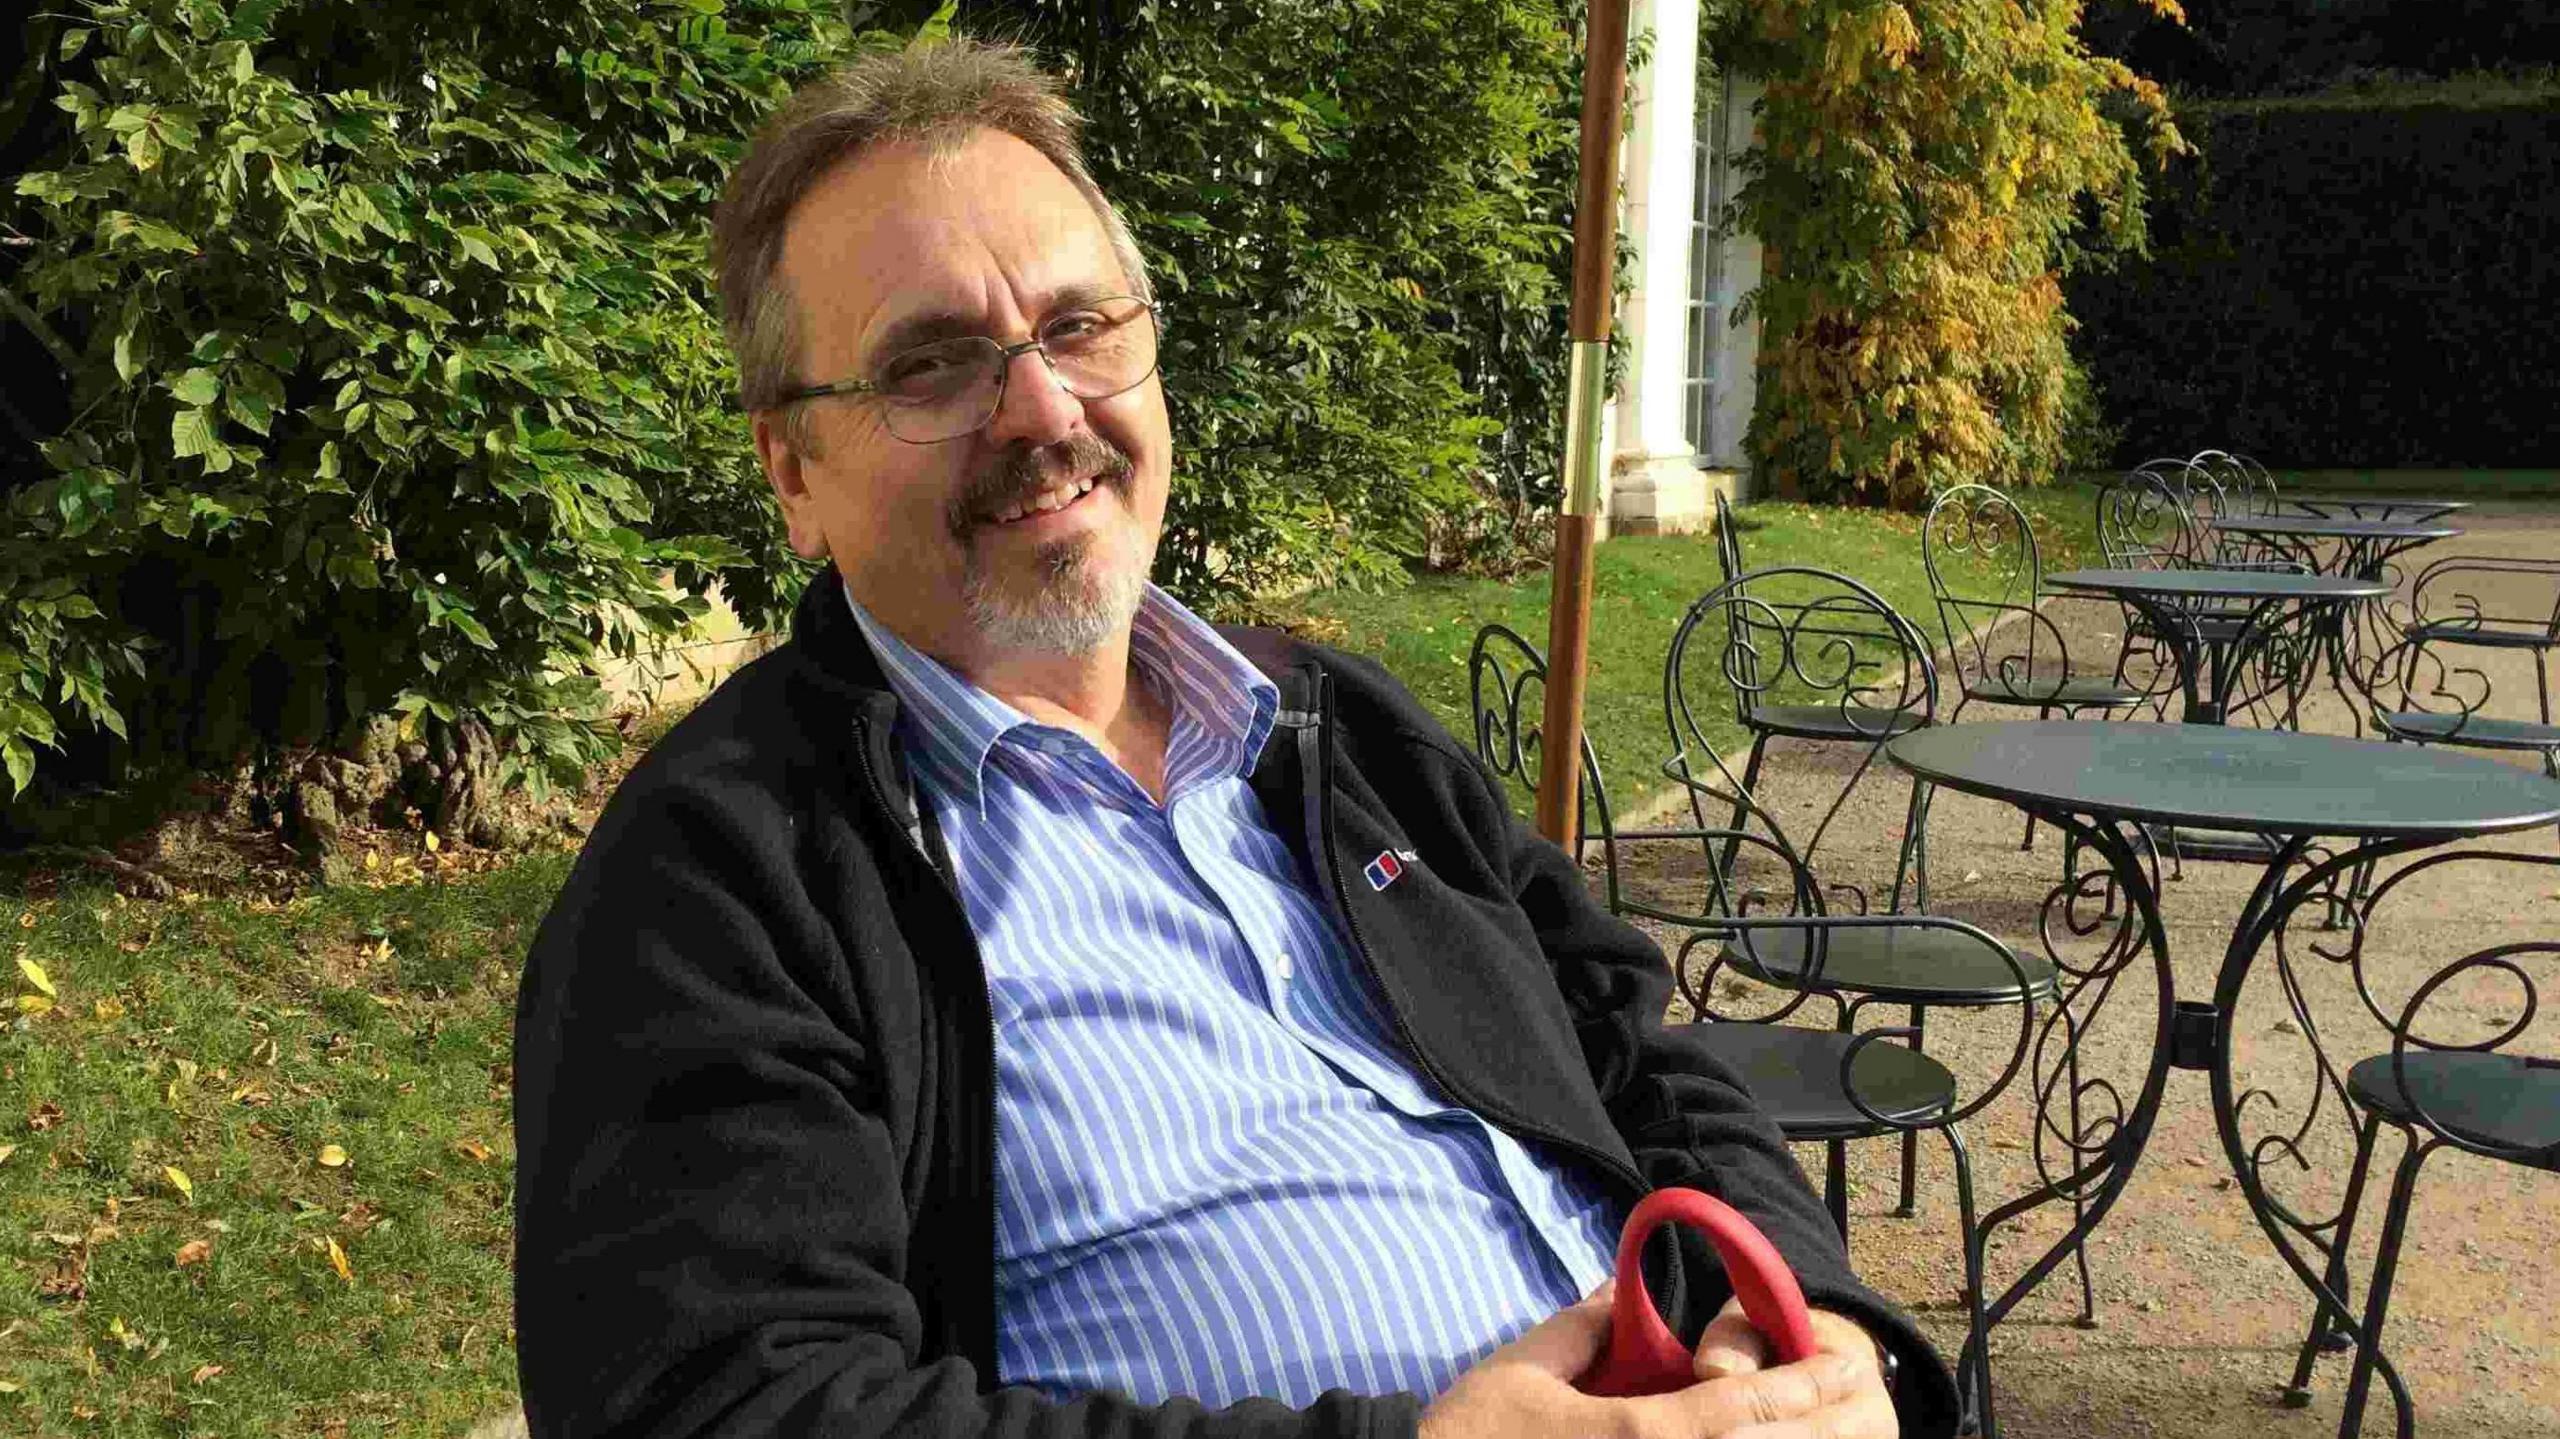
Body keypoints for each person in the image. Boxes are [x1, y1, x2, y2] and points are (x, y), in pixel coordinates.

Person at [513, 37, 1956, 1439]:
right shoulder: (723, 877)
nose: (1041, 409)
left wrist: (1811, 1323)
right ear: (794, 470)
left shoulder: (1333, 733)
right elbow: (728, 1404)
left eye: (1079, 327)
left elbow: (1635, 1047)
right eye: (933, 365)